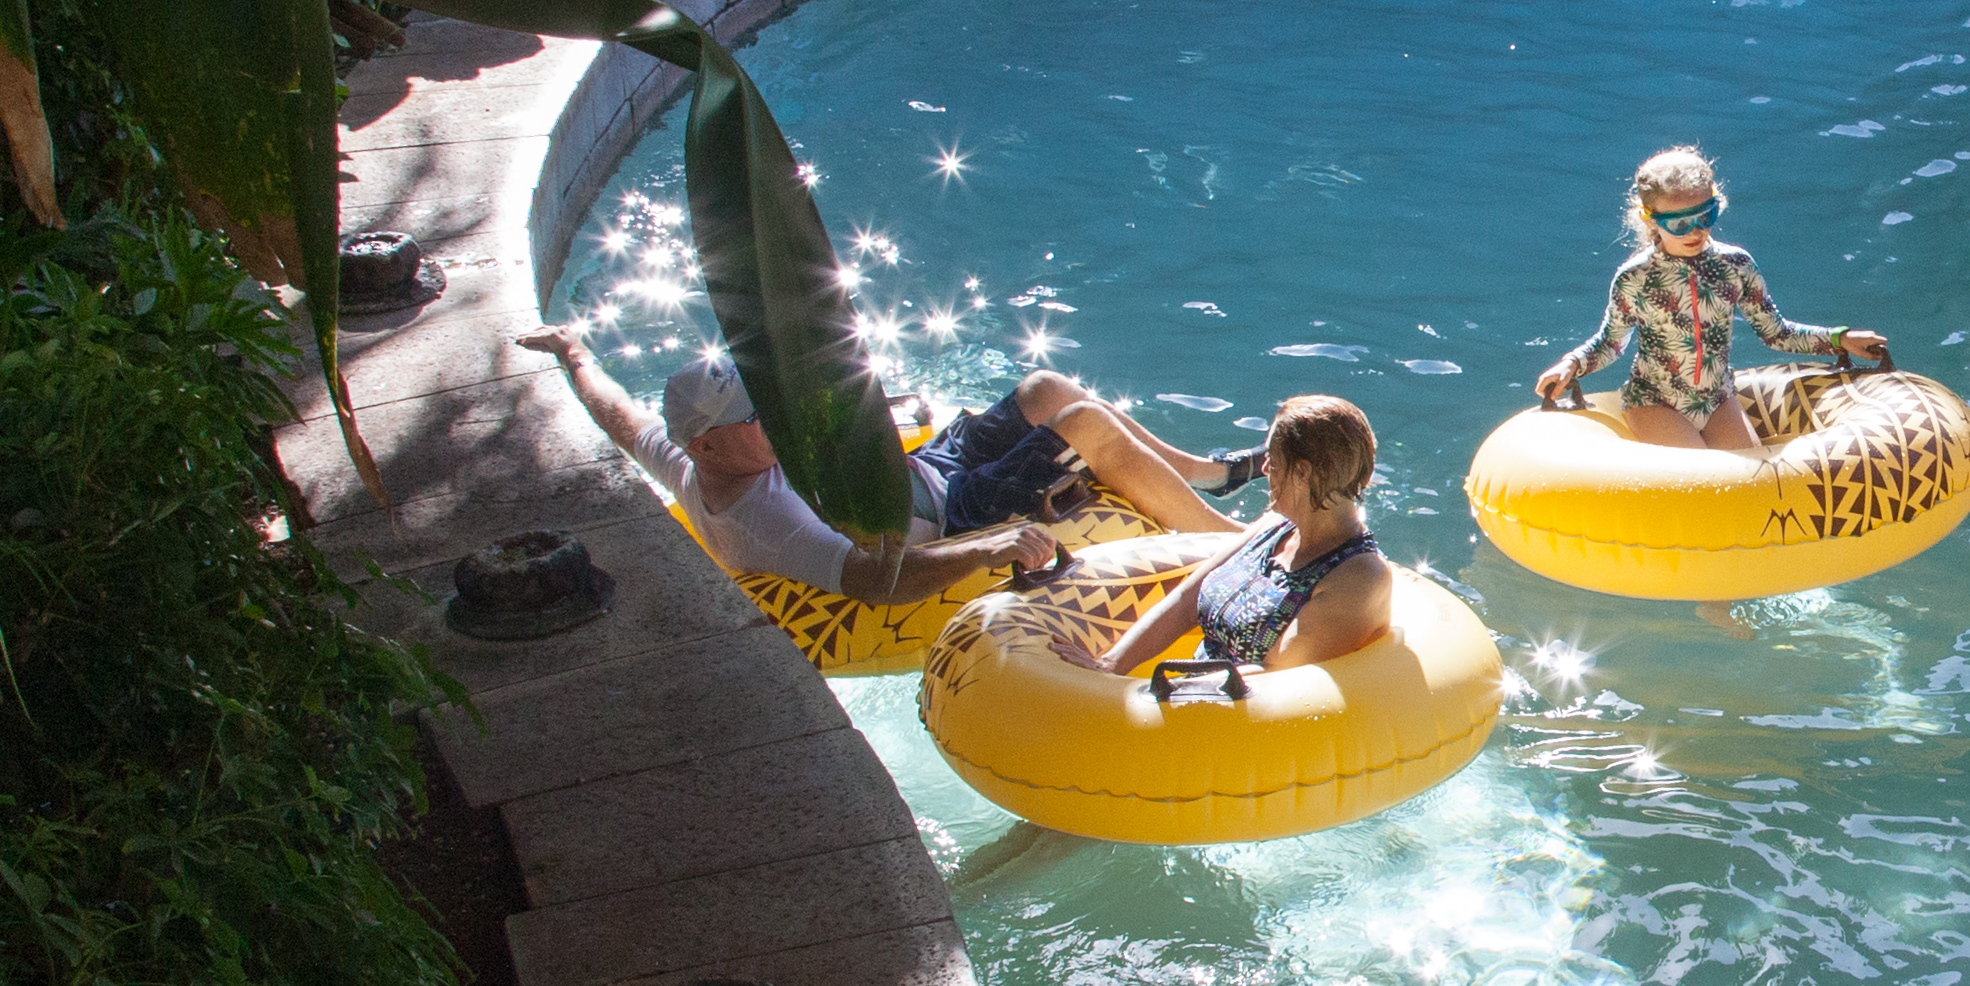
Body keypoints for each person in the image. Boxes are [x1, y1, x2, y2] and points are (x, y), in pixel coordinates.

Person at [517, 328, 1247, 606]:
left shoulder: (690, 455)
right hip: (947, 511)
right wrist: (989, 546)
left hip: (925, 465)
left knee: (1044, 387)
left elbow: (620, 418)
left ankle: (1207, 477)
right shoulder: (766, 520)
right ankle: (1233, 541)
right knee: (1080, 424)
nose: (774, 418)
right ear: (708, 442)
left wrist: (575, 353)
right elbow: (873, 584)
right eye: (754, 415)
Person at [1532, 146, 1888, 454]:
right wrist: (1572, 364)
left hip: (1718, 401)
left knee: (1753, 493)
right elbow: (1611, 343)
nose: (1696, 231)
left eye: (1706, 216)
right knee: (1704, 482)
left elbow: (1776, 333)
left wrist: (1841, 339)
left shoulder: (1736, 266)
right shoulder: (1635, 278)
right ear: (1651, 220)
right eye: (1679, 223)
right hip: (1655, 402)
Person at [1086, 394, 1399, 676]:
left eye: (1273, 461)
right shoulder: (1274, 527)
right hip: (1190, 698)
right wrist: (1111, 665)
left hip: (1240, 724)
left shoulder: (1359, 577)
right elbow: (1186, 601)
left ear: (1302, 472)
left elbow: (1275, 678)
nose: (1264, 469)